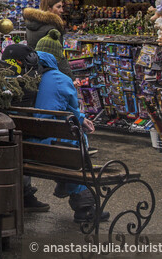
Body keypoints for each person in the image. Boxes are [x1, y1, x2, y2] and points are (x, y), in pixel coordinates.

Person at [33, 38, 108, 224]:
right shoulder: (60, 79)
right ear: (57, 58)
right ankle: (85, 207)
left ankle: (66, 185)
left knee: (68, 147)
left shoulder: (30, 75)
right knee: (75, 149)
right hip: (53, 150)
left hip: (29, 147)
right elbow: (73, 111)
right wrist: (83, 121)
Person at [0, 42, 48, 212]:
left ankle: (23, 193)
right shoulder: (31, 86)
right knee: (24, 147)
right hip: (26, 144)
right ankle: (25, 194)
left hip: (0, 139)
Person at [23, 0, 72, 78]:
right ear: (49, 8)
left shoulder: (31, 24)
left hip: (34, 69)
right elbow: (58, 56)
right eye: (58, 7)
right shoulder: (52, 29)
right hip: (50, 71)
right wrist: (70, 77)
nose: (61, 10)